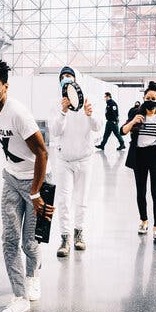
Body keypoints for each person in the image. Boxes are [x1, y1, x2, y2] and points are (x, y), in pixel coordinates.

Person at [0, 58, 53, 312]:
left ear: (5, 87)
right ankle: (19, 298)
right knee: (9, 240)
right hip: (10, 179)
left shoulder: (18, 113)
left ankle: (33, 275)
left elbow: (42, 152)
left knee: (30, 242)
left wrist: (36, 192)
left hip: (35, 180)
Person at [51, 67, 102, 257]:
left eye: (69, 76)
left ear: (76, 79)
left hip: (85, 159)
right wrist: (63, 112)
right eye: (62, 77)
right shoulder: (56, 104)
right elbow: (55, 131)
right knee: (63, 200)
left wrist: (90, 114)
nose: (66, 79)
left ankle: (79, 234)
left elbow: (98, 127)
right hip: (64, 160)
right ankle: (64, 238)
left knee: (82, 200)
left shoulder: (90, 100)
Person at [121, 81, 156, 242]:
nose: (150, 100)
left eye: (153, 98)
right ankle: (143, 221)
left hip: (155, 156)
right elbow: (123, 131)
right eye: (147, 97)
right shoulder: (137, 113)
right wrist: (134, 121)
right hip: (139, 156)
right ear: (143, 98)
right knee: (140, 192)